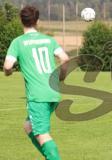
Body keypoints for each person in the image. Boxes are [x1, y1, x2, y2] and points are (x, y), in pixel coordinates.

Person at [3, 6, 69, 160]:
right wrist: (61, 76)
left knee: (41, 134)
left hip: (37, 96)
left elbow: (7, 66)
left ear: (21, 21)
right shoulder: (49, 40)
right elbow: (65, 58)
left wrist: (9, 72)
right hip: (53, 92)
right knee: (28, 126)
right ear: (37, 21)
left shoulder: (18, 42)